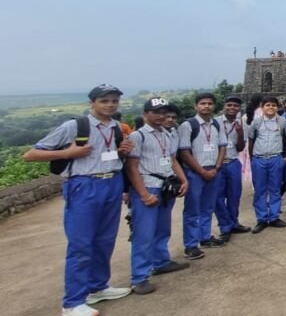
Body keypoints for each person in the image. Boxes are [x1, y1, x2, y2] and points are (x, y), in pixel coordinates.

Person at [24, 84, 134, 316]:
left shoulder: (116, 127)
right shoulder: (74, 126)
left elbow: (108, 155)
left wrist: (122, 150)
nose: (110, 105)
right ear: (91, 103)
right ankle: (72, 302)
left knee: (105, 240)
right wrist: (67, 153)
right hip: (84, 185)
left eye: (114, 101)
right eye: (105, 101)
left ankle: (97, 287)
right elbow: (31, 154)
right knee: (81, 244)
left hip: (111, 182)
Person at [124, 98, 190, 295]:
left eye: (164, 112)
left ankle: (161, 261)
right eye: (156, 112)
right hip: (148, 187)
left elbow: (172, 159)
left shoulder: (167, 134)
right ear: (146, 114)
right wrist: (143, 194)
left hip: (165, 186)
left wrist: (184, 180)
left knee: (162, 229)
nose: (161, 116)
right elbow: (132, 167)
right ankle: (139, 277)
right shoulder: (138, 136)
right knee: (144, 234)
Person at [177, 93, 228, 259]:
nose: (206, 106)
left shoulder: (217, 125)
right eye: (203, 103)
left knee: (208, 206)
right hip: (195, 171)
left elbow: (222, 147)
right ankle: (191, 244)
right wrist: (201, 171)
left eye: (210, 103)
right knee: (193, 209)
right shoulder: (188, 125)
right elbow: (184, 152)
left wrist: (217, 167)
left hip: (213, 170)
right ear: (196, 106)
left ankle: (205, 236)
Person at [246, 96, 286, 234]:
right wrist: (252, 158)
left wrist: (285, 156)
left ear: (277, 107)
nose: (270, 108)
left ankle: (274, 217)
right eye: (267, 105)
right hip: (259, 159)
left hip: (275, 158)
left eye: (273, 105)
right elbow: (251, 140)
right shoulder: (256, 122)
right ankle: (261, 219)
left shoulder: (283, 122)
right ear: (262, 107)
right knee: (260, 190)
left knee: (275, 188)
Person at [214, 95, 251, 242]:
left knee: (234, 195)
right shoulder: (215, 123)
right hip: (218, 164)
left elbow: (241, 147)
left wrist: (241, 134)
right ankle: (225, 226)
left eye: (235, 106)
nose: (232, 108)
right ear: (224, 106)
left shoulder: (241, 124)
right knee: (218, 197)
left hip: (233, 161)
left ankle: (234, 223)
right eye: (229, 105)